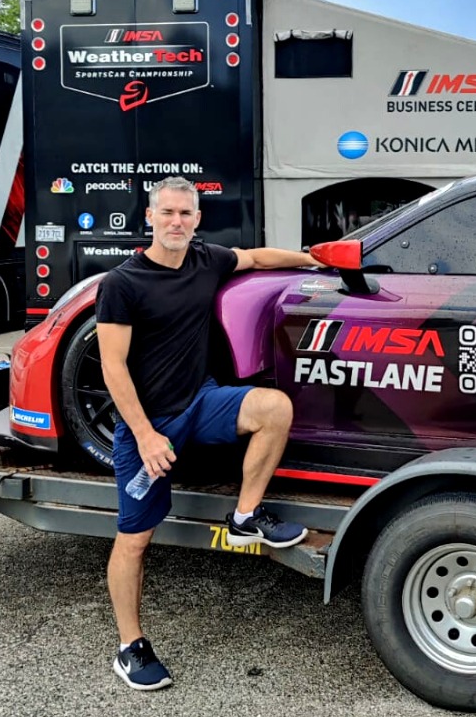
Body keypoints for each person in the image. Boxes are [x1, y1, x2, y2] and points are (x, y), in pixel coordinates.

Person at [96, 176, 317, 690]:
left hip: (200, 402)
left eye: (186, 214)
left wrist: (316, 260)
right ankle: (130, 646)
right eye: (167, 213)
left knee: (274, 409)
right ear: (149, 217)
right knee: (135, 540)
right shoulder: (122, 284)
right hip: (147, 428)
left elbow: (257, 259)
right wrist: (147, 436)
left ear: (197, 220)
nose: (176, 222)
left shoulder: (205, 259)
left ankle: (245, 515)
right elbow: (113, 369)